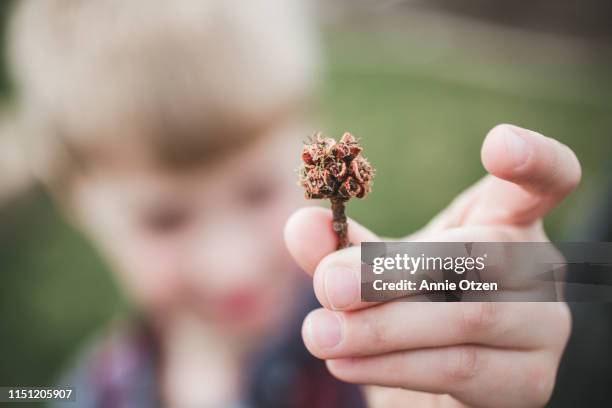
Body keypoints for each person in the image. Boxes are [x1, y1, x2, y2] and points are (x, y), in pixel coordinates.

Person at [8, 0, 580, 406]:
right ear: (75, 205)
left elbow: (544, 280)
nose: (228, 261)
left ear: (312, 138)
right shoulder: (89, 391)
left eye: (256, 192)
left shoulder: (381, 345)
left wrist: (527, 280)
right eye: (165, 220)